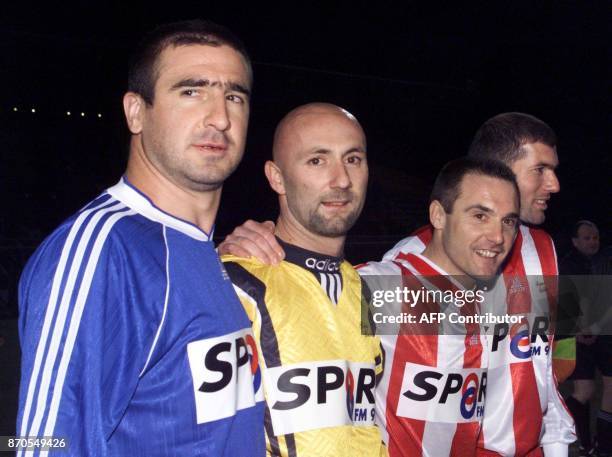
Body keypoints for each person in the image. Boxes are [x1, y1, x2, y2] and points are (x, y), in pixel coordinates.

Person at [220, 112, 576, 456]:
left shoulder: (544, 250)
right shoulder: (391, 280)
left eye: (508, 220)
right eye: (540, 170)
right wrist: (228, 258)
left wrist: (558, 443)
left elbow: (562, 347)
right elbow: (309, 293)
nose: (554, 184)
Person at [16, 20, 264, 456]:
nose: (220, 117)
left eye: (234, 96)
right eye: (191, 91)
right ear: (135, 111)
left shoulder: (207, 254)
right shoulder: (104, 249)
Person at [222, 103, 386, 456]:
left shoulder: (364, 289)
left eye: (353, 159)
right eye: (317, 160)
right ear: (276, 177)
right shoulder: (235, 284)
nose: (341, 180)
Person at [358, 157, 521, 456]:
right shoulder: (384, 287)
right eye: (480, 216)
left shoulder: (494, 298)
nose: (498, 237)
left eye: (508, 221)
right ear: (438, 215)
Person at [562, 220, 612, 457]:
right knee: (584, 391)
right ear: (574, 241)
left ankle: (589, 444)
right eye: (587, 238)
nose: (593, 241)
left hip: (591, 334)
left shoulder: (598, 263)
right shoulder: (569, 264)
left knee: (590, 390)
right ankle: (583, 440)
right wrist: (579, 329)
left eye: (595, 238)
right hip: (572, 337)